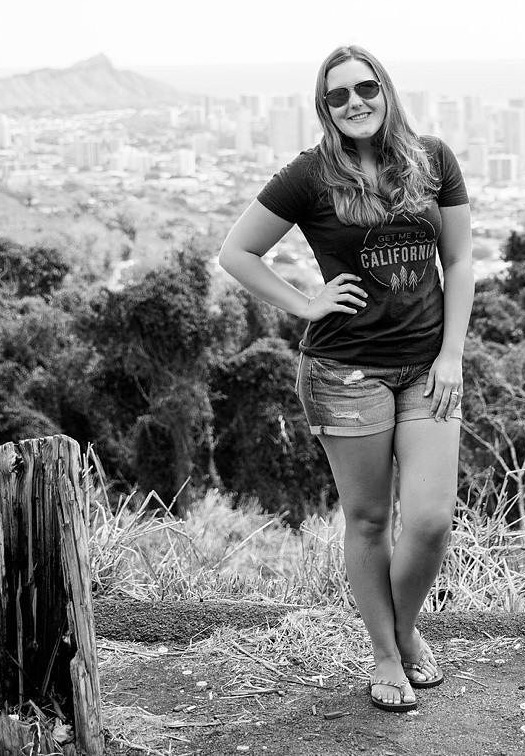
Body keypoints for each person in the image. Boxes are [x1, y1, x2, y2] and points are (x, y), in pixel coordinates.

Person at [218, 45, 473, 713]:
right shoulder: (310, 175)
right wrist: (305, 302)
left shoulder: (433, 158)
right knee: (367, 518)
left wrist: (453, 353)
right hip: (344, 370)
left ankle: (405, 625)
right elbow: (236, 251)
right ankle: (387, 655)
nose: (355, 101)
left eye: (366, 87)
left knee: (429, 520)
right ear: (324, 106)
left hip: (427, 367)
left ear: (385, 90)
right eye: (339, 95)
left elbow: (461, 256)